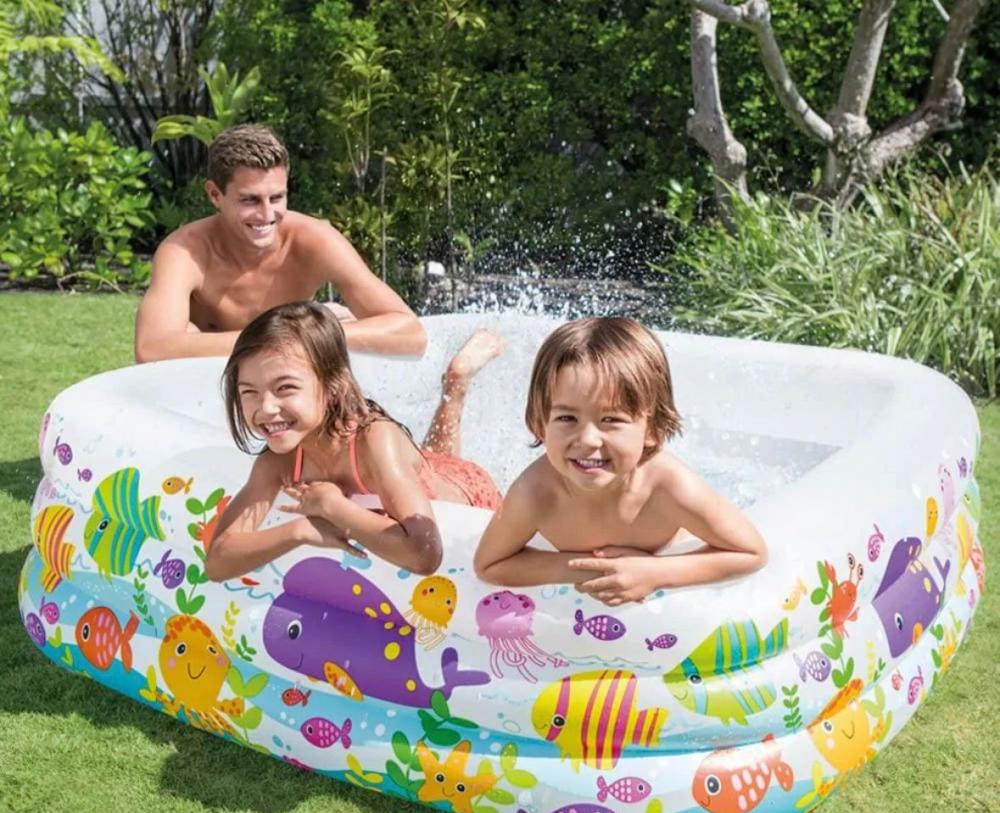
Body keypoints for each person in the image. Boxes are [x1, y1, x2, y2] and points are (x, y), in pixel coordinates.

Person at [473, 317, 767, 605]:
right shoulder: (535, 492)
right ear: (540, 424)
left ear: (652, 429)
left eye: (611, 419)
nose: (588, 439)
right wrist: (591, 569)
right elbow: (489, 564)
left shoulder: (668, 487)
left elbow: (751, 552)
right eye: (567, 418)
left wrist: (656, 572)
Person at [205, 301, 502, 582]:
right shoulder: (279, 460)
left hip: (466, 490)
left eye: (285, 388)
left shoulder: (375, 440)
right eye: (249, 392)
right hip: (416, 468)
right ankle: (454, 385)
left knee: (438, 468)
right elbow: (217, 561)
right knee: (429, 456)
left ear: (333, 384)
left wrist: (333, 507)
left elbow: (424, 553)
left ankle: (456, 379)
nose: (266, 407)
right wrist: (300, 531)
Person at [135, 123, 424, 363]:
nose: (266, 215)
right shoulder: (185, 251)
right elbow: (152, 348)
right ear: (214, 194)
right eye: (250, 200)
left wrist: (316, 333)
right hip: (210, 386)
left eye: (276, 198)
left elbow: (410, 334)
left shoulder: (313, 239)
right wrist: (291, 335)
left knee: (339, 330)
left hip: (289, 383)